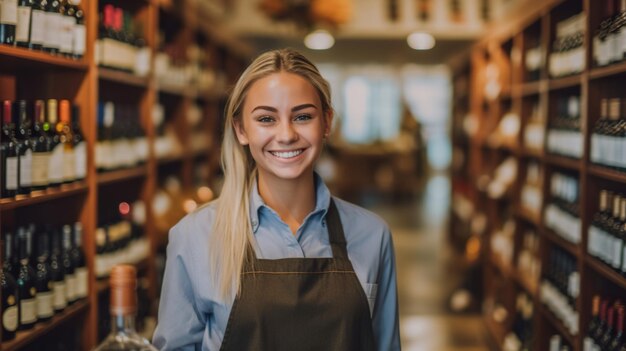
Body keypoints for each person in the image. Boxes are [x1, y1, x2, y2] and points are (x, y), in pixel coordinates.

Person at [153, 48, 401, 351]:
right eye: (267, 119)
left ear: (327, 123)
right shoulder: (195, 236)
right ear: (241, 129)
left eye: (303, 116)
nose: (285, 135)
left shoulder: (372, 236)